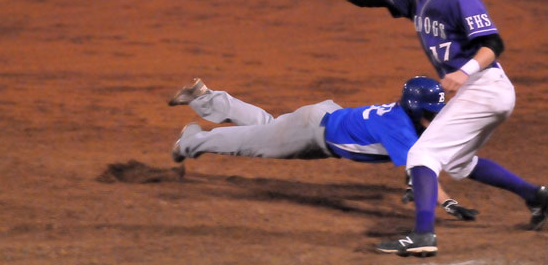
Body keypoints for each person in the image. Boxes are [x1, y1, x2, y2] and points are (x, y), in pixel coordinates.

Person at [313, 0, 547, 257]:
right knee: (461, 162)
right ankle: (535, 196)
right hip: (482, 92)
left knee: (421, 155)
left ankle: (423, 235)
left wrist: (465, 71)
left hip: (485, 86)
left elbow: (494, 44)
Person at [168, 76, 479, 221]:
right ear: (414, 108)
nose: (433, 116)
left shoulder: (404, 116)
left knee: (269, 127)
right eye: (429, 111)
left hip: (322, 118)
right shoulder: (399, 128)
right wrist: (448, 202)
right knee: (250, 144)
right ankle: (190, 141)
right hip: (313, 131)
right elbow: (421, 170)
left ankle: (207, 98)